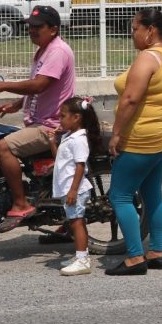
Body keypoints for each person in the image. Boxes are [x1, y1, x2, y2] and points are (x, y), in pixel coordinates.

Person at [0, 5, 76, 233]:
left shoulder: (57, 51)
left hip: (51, 126)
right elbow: (42, 89)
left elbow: (40, 84)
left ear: (53, 29)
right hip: (40, 121)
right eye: (30, 27)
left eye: (38, 27)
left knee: (3, 147)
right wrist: (15, 105)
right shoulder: (44, 50)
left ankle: (21, 203)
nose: (32, 31)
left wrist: (2, 86)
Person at [106, 9, 162, 276]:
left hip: (141, 138)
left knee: (120, 195)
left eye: (135, 29)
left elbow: (130, 100)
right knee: (152, 194)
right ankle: (156, 252)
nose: (132, 34)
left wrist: (116, 133)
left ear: (150, 31)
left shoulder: (147, 58)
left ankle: (136, 257)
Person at [50, 96, 104, 276]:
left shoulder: (79, 140)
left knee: (77, 222)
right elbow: (60, 159)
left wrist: (73, 190)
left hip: (75, 189)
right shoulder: (69, 136)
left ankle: (82, 260)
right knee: (75, 222)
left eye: (63, 116)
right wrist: (52, 142)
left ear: (76, 118)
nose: (60, 120)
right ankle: (81, 256)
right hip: (68, 188)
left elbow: (81, 166)